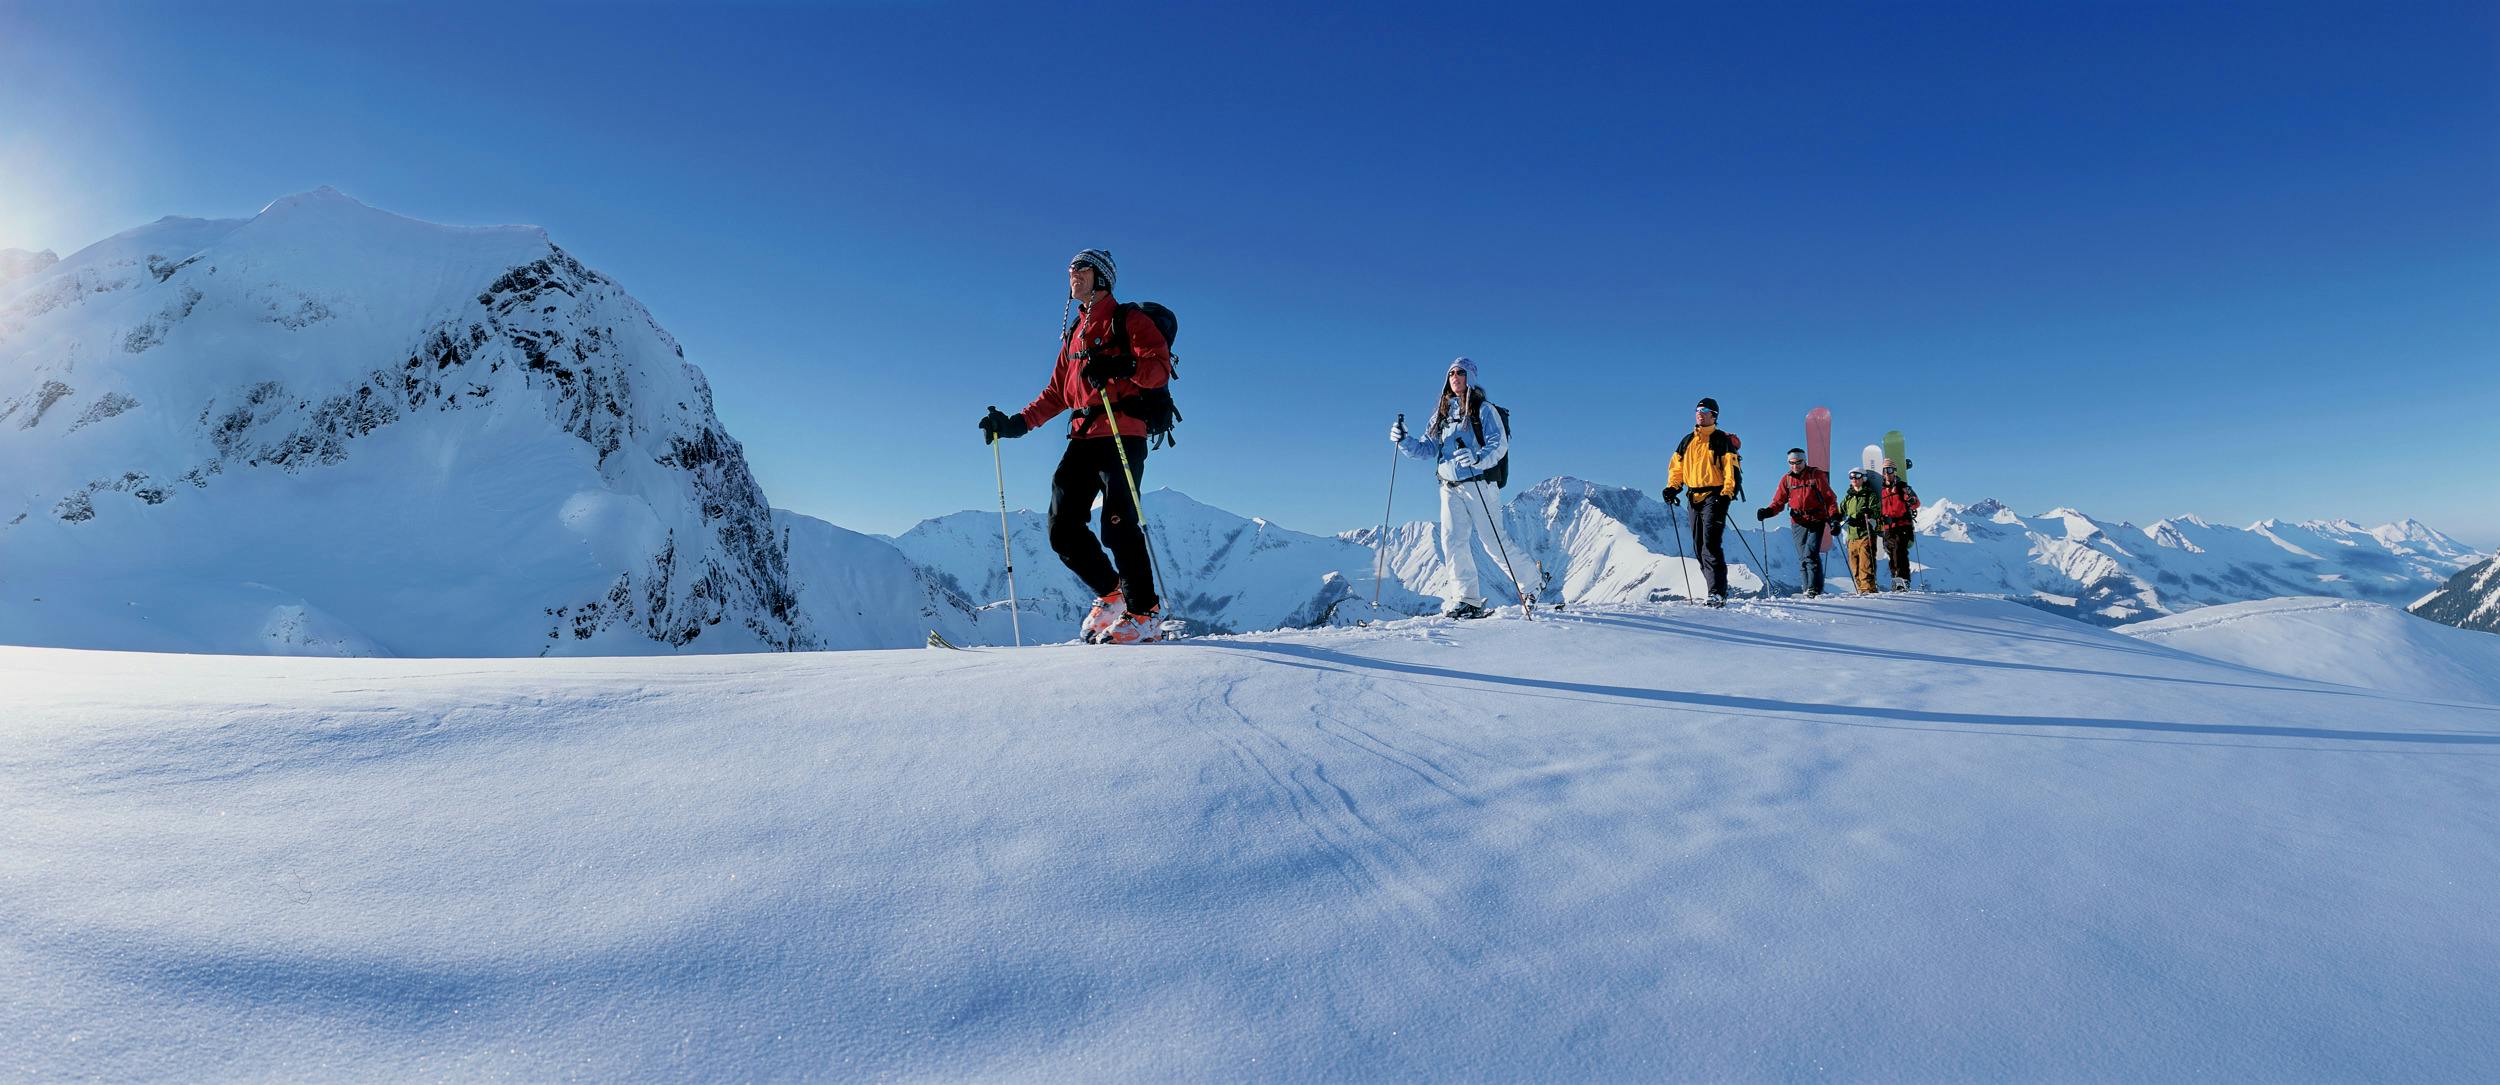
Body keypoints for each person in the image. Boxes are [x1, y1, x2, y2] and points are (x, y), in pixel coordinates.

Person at [978, 249, 1174, 643]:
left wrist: (1123, 366)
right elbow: (1055, 393)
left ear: (1101, 278)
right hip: (1083, 436)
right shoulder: (1074, 332)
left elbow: (1158, 367)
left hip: (1123, 431)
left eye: (1081, 269)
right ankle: (1112, 593)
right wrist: (1014, 425)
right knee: (1061, 527)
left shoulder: (1128, 320)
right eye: (1070, 270)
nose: (1073, 275)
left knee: (1118, 525)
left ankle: (1144, 612)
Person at [1391, 357, 1512, 619]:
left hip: (1478, 483)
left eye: (1461, 372)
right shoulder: (1442, 415)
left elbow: (1498, 444)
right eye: (1451, 373)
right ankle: (1467, 599)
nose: (1455, 377)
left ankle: (1531, 586)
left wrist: (1477, 458)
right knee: (1453, 542)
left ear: (1471, 377)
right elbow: (1427, 449)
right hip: (1448, 486)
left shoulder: (1483, 410)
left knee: (1493, 541)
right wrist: (1403, 441)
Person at [1661, 397, 1742, 606]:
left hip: (1715, 496)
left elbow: (1730, 470)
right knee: (1699, 547)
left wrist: (1727, 494)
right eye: (1697, 409)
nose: (1699, 412)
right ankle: (1713, 591)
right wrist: (1673, 487)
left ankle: (1717, 593)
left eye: (1704, 409)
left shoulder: (1720, 440)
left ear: (1713, 415)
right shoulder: (1687, 441)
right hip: (1693, 497)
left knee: (1711, 544)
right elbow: (1676, 468)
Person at [1757, 448, 1837, 598]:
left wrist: (1834, 518)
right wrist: (1767, 512)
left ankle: (1813, 589)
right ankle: (1807, 589)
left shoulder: (1816, 475)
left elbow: (1830, 498)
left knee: (1810, 554)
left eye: (1798, 462)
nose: (1795, 466)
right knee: (1803, 557)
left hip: (1816, 519)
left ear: (1804, 460)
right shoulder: (1787, 480)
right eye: (1792, 463)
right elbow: (1779, 501)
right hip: (1797, 521)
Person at [1837, 467, 1883, 593]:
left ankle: (1868, 590)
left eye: (1857, 476)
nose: (1854, 479)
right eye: (1851, 477)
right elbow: (1840, 512)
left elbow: (1877, 512)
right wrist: (1834, 520)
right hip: (1852, 537)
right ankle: (1861, 590)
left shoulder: (1870, 495)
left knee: (1865, 565)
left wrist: (1869, 513)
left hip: (1865, 534)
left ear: (1864, 478)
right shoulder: (1849, 497)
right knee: (1855, 567)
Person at [1878, 459, 1921, 591]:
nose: (1887, 473)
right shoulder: (1881, 490)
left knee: (1899, 552)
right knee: (1891, 553)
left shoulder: (1903, 487)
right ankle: (1896, 581)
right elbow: (1879, 509)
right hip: (1888, 527)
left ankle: (1903, 580)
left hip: (1902, 525)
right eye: (1885, 470)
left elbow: (1916, 504)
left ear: (1894, 471)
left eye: (1889, 470)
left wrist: (1911, 500)